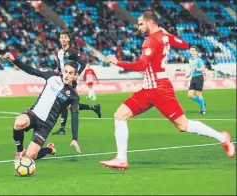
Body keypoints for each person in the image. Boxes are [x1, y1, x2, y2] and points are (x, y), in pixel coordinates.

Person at [100, 11, 235, 170]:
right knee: (119, 115)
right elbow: (184, 44)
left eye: (141, 23)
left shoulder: (150, 41)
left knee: (183, 126)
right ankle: (121, 159)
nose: (139, 27)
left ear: (150, 22)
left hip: (160, 90)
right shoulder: (164, 36)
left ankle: (223, 138)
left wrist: (118, 62)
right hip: (149, 89)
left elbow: (142, 66)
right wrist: (168, 35)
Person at [2, 52, 82, 162]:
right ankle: (20, 150)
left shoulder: (73, 96)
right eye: (66, 71)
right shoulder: (52, 76)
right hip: (34, 114)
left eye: (71, 73)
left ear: (76, 76)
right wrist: (14, 60)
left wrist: (74, 138)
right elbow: (32, 71)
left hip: (46, 125)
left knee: (30, 156)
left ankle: (49, 150)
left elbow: (74, 115)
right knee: (19, 123)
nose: (67, 75)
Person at [52, 30, 101, 136]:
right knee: (68, 105)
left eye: (65, 37)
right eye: (62, 37)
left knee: (63, 103)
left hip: (71, 80)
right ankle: (93, 107)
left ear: (68, 39)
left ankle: (62, 129)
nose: (63, 39)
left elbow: (82, 64)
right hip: (62, 79)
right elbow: (59, 66)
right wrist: (56, 74)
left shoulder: (73, 52)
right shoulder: (59, 52)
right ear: (59, 39)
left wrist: (77, 73)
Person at [185, 46, 206, 114]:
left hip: (199, 77)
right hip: (193, 78)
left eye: (193, 50)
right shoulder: (190, 59)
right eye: (191, 50)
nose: (191, 52)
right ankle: (202, 102)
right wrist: (189, 74)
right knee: (190, 95)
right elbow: (192, 69)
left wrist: (197, 69)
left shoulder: (199, 59)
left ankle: (203, 109)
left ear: (196, 52)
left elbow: (203, 68)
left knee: (198, 94)